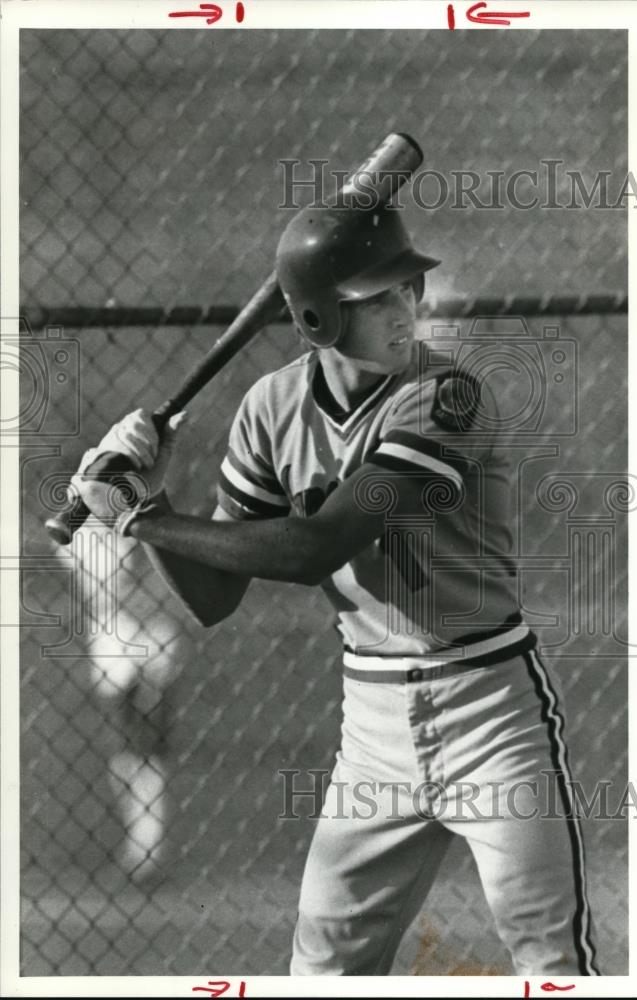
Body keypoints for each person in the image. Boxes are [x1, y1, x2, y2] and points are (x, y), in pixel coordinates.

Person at [72, 201, 600, 976]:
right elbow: (215, 596)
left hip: (491, 710)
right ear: (317, 318)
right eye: (377, 298)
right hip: (373, 731)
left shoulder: (447, 396)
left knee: (549, 958)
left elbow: (314, 545)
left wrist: (141, 518)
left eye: (408, 291)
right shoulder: (270, 409)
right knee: (323, 968)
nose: (405, 310)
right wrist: (149, 504)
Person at [56, 516, 187, 881]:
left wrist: (125, 593)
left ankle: (148, 850)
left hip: (151, 649)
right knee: (122, 752)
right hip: (112, 656)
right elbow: (96, 597)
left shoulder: (143, 520)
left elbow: (159, 589)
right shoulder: (72, 534)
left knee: (147, 751)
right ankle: (139, 846)